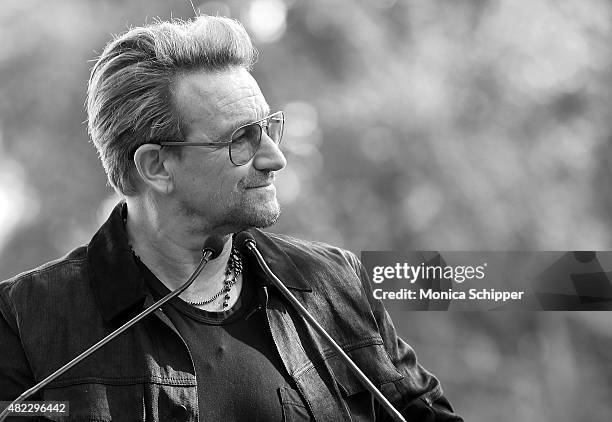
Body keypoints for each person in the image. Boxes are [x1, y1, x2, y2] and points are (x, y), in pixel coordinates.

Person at [0, 16, 463, 421]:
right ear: (156, 167)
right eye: (241, 139)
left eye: (268, 127)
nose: (275, 157)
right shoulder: (24, 322)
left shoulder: (334, 284)